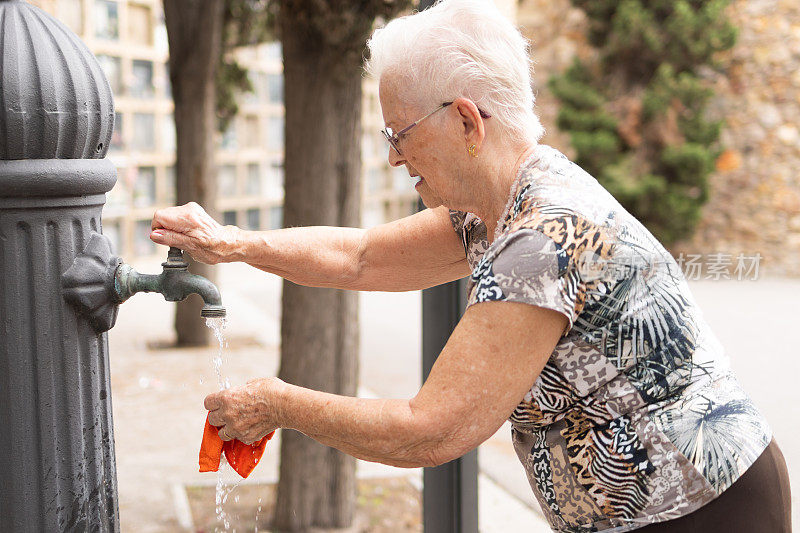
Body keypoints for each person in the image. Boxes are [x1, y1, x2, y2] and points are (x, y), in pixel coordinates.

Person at [149, 0, 791, 531]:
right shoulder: (500, 204)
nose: (395, 158)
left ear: (465, 120)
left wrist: (277, 403)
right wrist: (229, 242)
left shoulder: (541, 238)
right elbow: (361, 256)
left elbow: (430, 430)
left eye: (399, 133)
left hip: (705, 509)